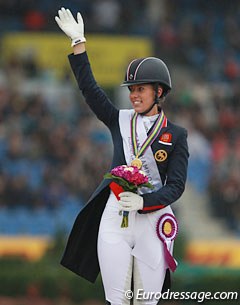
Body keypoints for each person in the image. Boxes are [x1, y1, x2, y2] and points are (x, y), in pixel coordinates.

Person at [55, 7, 189, 305]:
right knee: (116, 300)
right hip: (115, 216)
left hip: (153, 220)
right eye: (131, 90)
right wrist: (79, 43)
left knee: (146, 301)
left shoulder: (176, 135)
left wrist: (144, 201)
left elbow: (176, 186)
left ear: (159, 92)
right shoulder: (120, 120)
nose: (133, 95)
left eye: (140, 89)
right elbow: (90, 90)